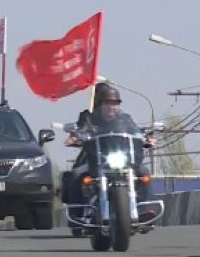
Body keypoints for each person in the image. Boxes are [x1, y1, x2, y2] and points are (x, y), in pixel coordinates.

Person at [63, 85, 158, 219]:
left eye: (115, 103)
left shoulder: (125, 119)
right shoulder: (90, 118)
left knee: (144, 172)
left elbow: (135, 132)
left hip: (123, 160)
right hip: (96, 160)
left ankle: (144, 210)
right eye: (108, 103)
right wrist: (75, 137)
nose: (111, 107)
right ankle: (76, 215)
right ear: (100, 104)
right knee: (76, 174)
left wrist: (145, 138)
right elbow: (81, 130)